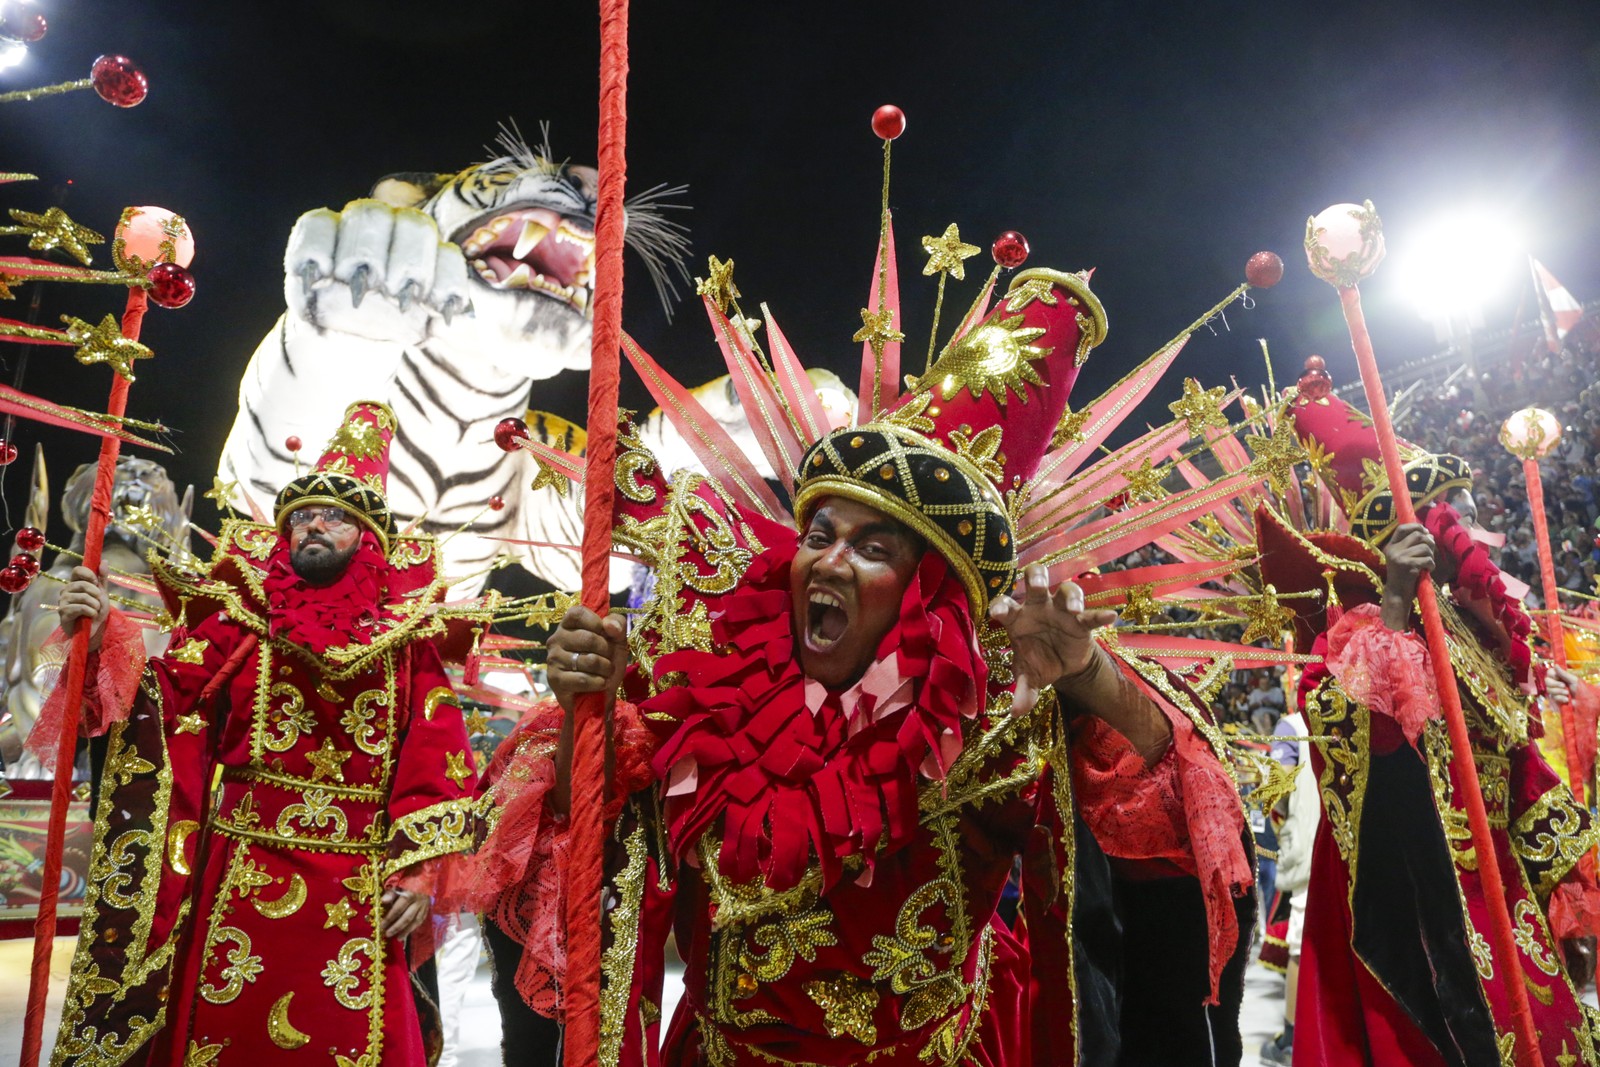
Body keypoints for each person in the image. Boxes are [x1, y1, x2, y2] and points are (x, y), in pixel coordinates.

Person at [460, 265, 1267, 1065]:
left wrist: (1088, 672)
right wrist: (580, 707)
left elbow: (1175, 806)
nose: (831, 562)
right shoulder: (707, 676)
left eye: (873, 548)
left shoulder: (992, 712)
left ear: (928, 589)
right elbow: (586, 840)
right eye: (820, 535)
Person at [42, 401, 485, 1067]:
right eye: (301, 515)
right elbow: (166, 703)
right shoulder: (242, 622)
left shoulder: (407, 645)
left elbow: (436, 761)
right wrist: (105, 637)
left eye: (333, 515)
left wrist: (419, 871)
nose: (312, 524)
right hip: (242, 872)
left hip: (358, 885)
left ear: (368, 537)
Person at [1257, 364, 1600, 1066]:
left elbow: (1516, 765)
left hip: (1505, 891)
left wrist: (1565, 876)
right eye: (1462, 512)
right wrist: (1391, 601)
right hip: (1426, 893)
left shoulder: (1468, 637)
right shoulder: (1358, 630)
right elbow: (1354, 741)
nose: (1477, 529)